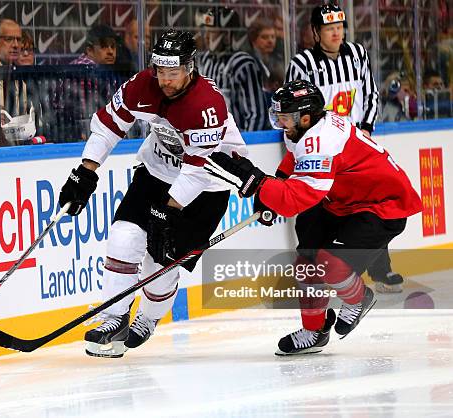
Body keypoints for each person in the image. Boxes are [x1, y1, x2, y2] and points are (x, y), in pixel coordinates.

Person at [58, 30, 247, 358]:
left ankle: (147, 318)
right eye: (160, 71)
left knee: (162, 261)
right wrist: (85, 171)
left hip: (207, 185)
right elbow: (108, 125)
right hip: (158, 169)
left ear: (189, 68)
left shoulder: (206, 105)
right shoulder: (141, 84)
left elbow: (198, 169)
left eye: (173, 73)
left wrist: (168, 211)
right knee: (123, 236)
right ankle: (114, 318)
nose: (165, 80)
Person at [204, 80, 422, 355]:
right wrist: (275, 181)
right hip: (340, 199)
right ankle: (314, 331)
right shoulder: (302, 129)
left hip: (380, 206)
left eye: (284, 117)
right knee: (306, 261)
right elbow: (296, 160)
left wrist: (258, 182)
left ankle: (358, 298)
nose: (281, 123)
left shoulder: (321, 141)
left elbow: (297, 200)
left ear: (305, 117)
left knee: (330, 264)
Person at [285, 2, 403, 293]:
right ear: (315, 32)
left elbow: (370, 93)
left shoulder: (357, 54)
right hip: (319, 150)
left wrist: (365, 129)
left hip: (353, 151)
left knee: (367, 208)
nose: (336, 33)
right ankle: (310, 272)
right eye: (329, 28)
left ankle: (380, 270)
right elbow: (292, 111)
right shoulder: (302, 64)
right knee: (313, 208)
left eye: (339, 27)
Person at [195, 6, 269, 132]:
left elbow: (256, 115)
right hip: (209, 139)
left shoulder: (242, 64)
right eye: (205, 31)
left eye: (212, 32)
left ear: (227, 34)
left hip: (236, 141)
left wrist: (249, 144)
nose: (206, 36)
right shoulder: (204, 60)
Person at [249, 19, 285, 94]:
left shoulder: (278, 60)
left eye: (273, 37)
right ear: (253, 40)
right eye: (265, 37)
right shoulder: (249, 63)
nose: (270, 41)